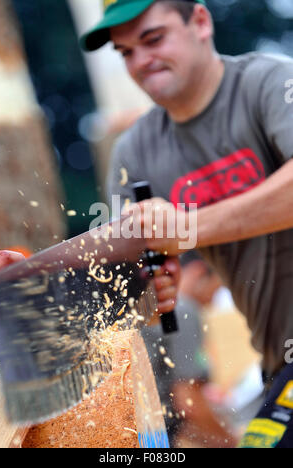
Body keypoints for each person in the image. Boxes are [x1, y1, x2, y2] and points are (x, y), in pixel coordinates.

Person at [81, 0, 293, 448]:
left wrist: (187, 229)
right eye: (126, 53)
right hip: (279, 360)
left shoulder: (270, 81)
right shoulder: (133, 154)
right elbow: (132, 299)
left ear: (200, 21)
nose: (140, 61)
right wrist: (150, 291)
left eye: (153, 39)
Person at [142, 250, 237, 448]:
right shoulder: (183, 310)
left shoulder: (153, 307)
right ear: (198, 272)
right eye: (216, 288)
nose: (213, 300)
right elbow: (188, 402)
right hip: (154, 434)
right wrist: (233, 443)